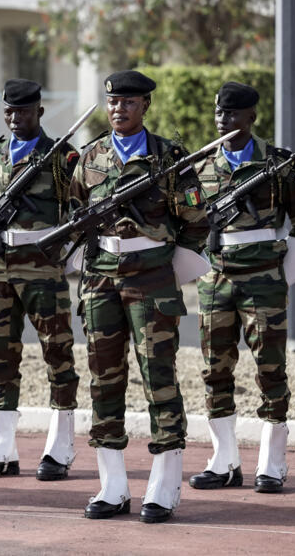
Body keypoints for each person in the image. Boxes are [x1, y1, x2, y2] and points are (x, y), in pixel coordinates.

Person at [69, 70, 209, 523]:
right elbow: (74, 217)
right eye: (113, 103)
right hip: (101, 278)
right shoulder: (90, 157)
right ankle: (112, 486)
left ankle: (164, 485)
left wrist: (169, 263)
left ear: (145, 105)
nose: (118, 109)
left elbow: (197, 220)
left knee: (159, 377)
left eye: (129, 102)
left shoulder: (170, 158)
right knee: (103, 378)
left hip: (152, 278)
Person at [189, 82, 295, 494]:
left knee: (270, 369)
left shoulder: (280, 164)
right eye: (218, 114)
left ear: (251, 117)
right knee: (214, 370)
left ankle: (272, 463)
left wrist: (282, 272)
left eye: (232, 114)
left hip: (264, 278)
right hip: (216, 280)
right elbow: (187, 223)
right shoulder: (202, 165)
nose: (223, 121)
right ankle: (223, 461)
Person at [0, 79, 81, 481]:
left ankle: (60, 446)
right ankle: (3, 447)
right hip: (0, 269)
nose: (16, 119)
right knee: (1, 357)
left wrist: (65, 258)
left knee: (57, 356)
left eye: (24, 112)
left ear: (40, 112)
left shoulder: (63, 159)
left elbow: (78, 216)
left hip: (44, 270)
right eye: (9, 112)